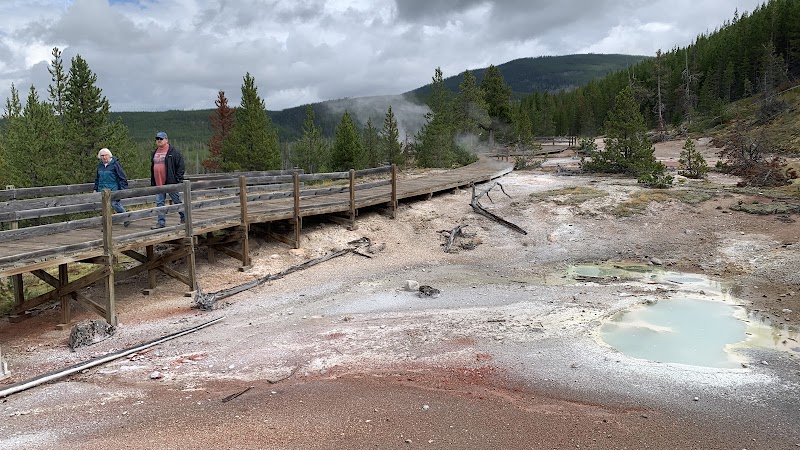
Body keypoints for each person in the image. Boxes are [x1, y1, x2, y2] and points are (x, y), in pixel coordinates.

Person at [150, 131, 186, 229]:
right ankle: (161, 222)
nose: (159, 141)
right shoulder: (155, 152)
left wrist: (178, 178)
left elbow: (181, 165)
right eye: (157, 139)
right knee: (159, 202)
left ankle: (184, 218)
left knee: (176, 200)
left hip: (171, 182)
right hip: (159, 183)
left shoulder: (173, 152)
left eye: (161, 139)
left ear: (166, 139)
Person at [94, 147, 130, 227]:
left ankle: (126, 217)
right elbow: (97, 178)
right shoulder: (100, 166)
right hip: (102, 189)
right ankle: (106, 224)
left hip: (113, 189)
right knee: (104, 207)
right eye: (102, 155)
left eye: (105, 155)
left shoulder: (115, 164)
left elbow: (122, 177)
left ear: (109, 155)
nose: (104, 157)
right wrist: (95, 188)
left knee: (115, 204)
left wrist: (123, 190)